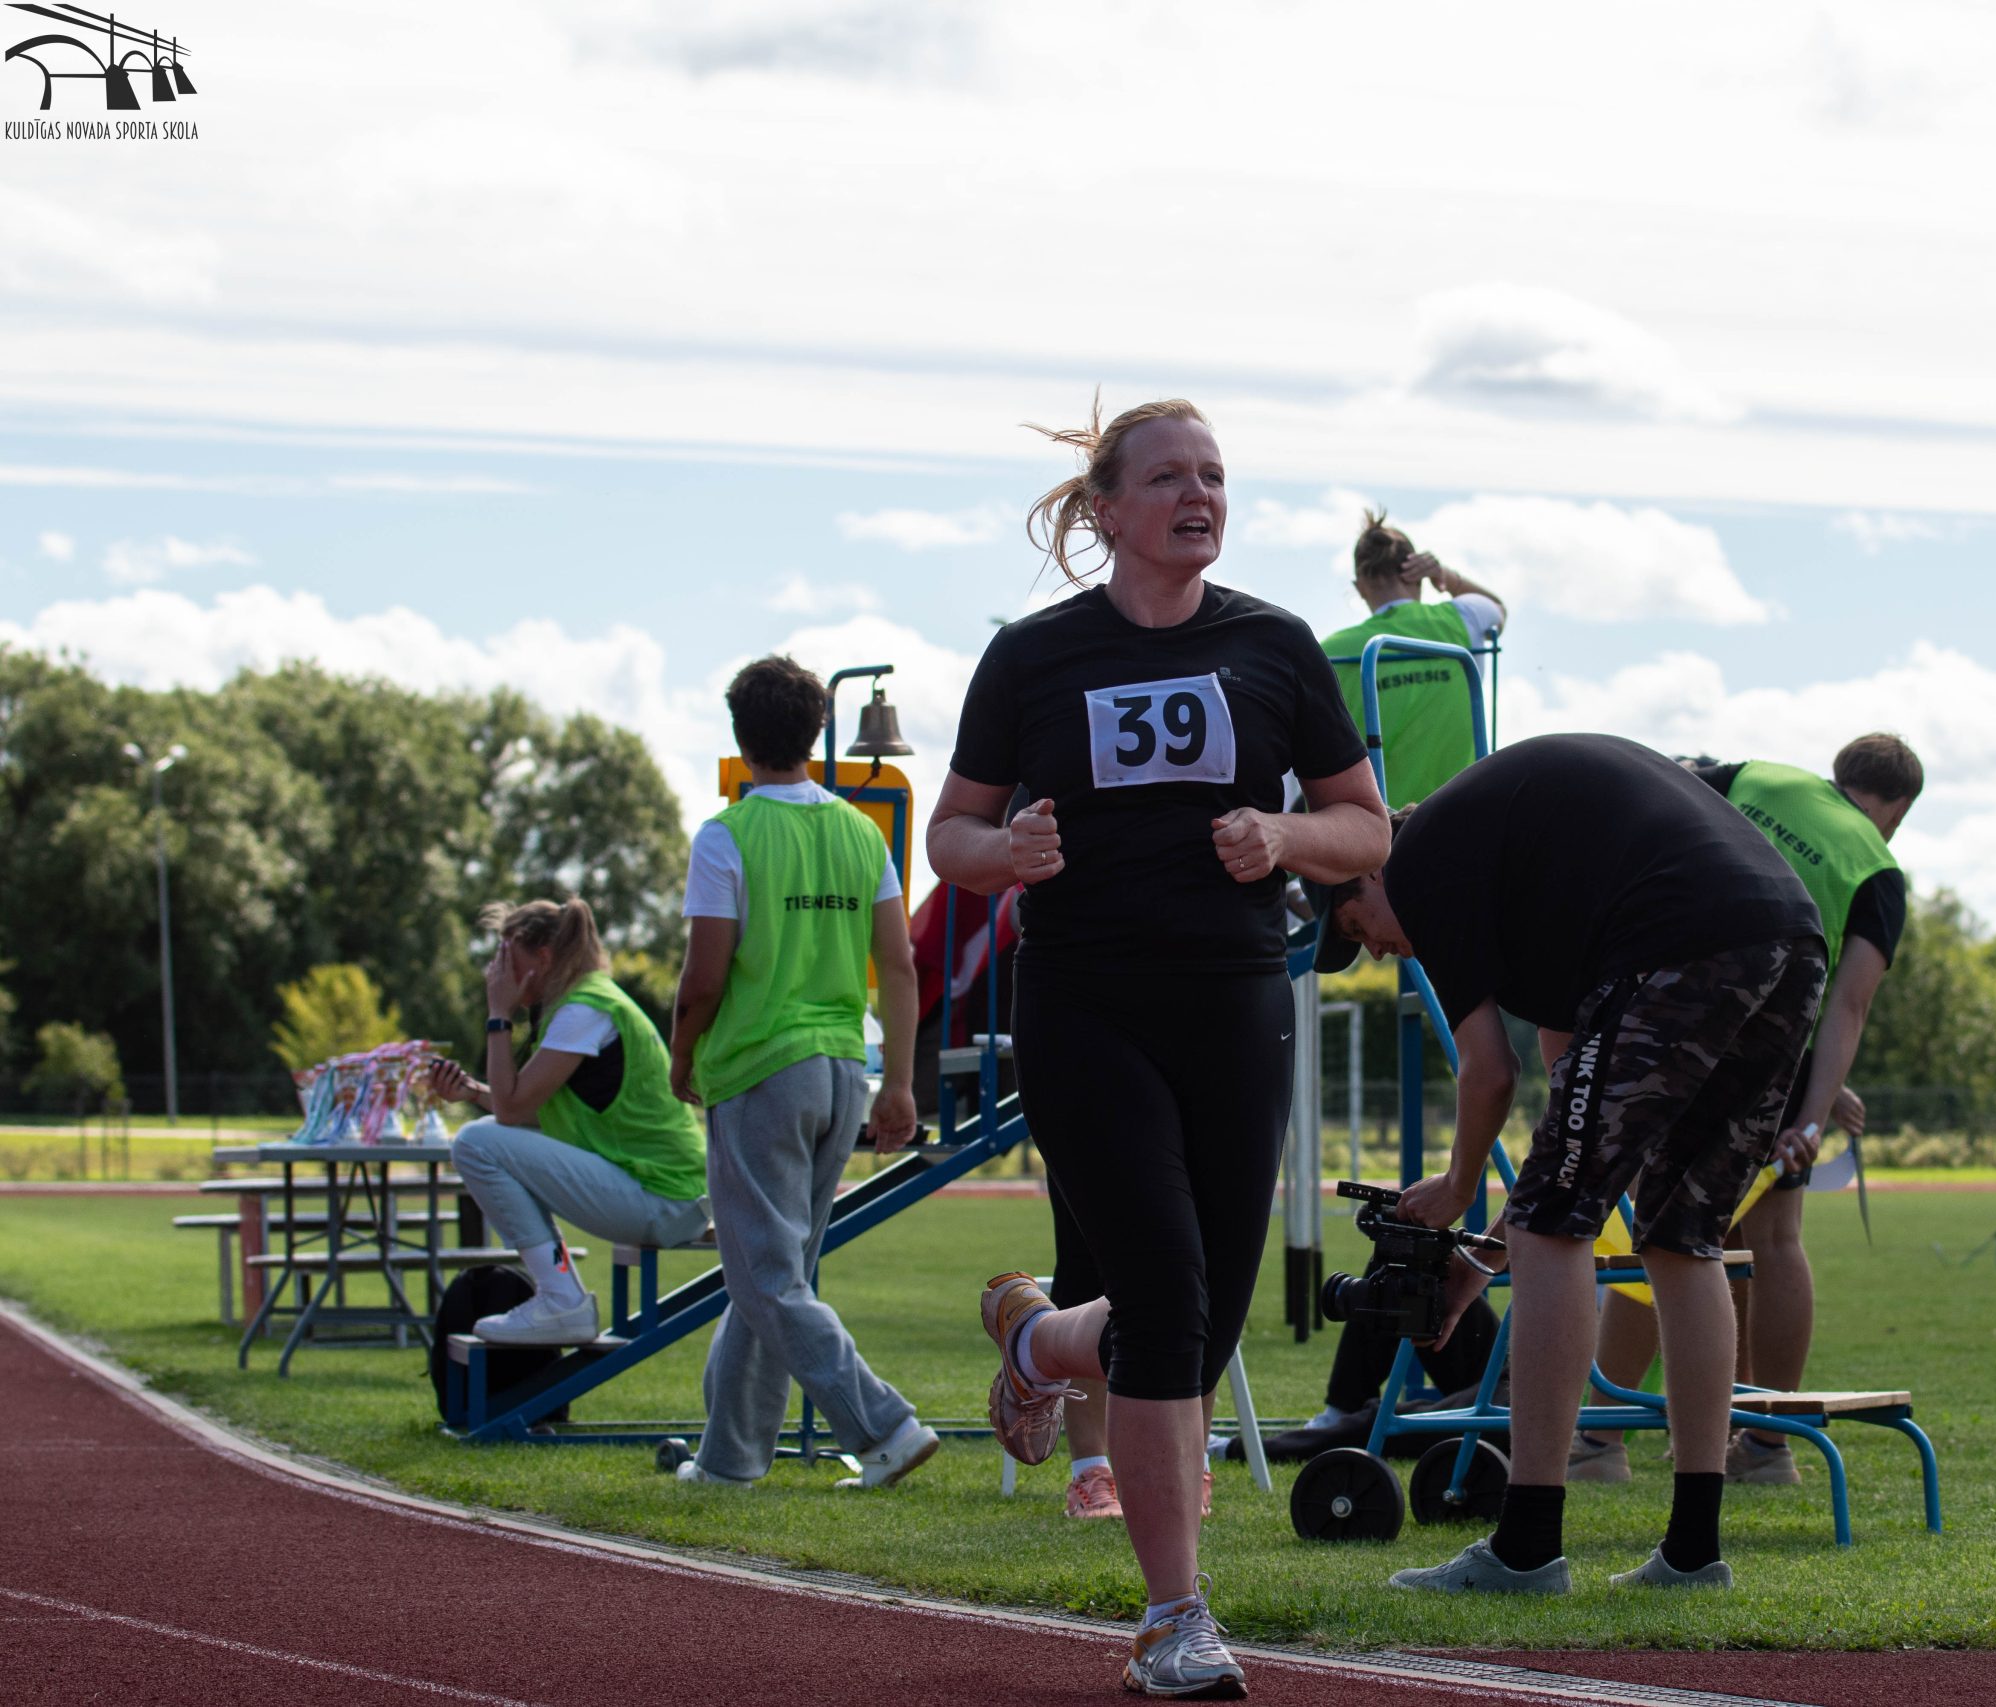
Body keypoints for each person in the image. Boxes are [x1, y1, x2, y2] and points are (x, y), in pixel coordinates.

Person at [928, 396, 1388, 1697]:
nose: (1200, 496)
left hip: (1235, 1002)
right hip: (1086, 1004)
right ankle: (1174, 1618)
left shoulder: (1273, 644)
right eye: (1171, 477)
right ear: (1106, 510)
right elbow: (948, 835)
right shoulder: (1033, 656)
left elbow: (1368, 828)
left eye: (1216, 476)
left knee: (1198, 1316)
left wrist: (1284, 836)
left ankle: (1042, 1340)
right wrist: (1005, 852)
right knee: (1173, 1303)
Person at [1315, 732, 1826, 1593]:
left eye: (1355, 926)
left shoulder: (1423, 861)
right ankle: (1692, 1553)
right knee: (1681, 1236)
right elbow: (1570, 1140)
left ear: (1366, 871)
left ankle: (1526, 1547)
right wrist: (1484, 1260)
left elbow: (1489, 1074)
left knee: (1567, 1225)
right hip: (1786, 939)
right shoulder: (1530, 890)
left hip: (1682, 936)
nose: (1374, 949)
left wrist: (1456, 1185)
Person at [1576, 734, 1922, 1486]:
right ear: (1895, 811)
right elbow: (1849, 1006)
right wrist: (1814, 1113)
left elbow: (1660, 797)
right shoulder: (1878, 867)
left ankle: (1600, 1440)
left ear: (1838, 775)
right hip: (1775, 1043)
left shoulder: (1759, 776)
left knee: (1660, 1223)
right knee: (1769, 1237)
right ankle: (1766, 1445)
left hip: (1675, 1009)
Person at [666, 655, 937, 1492]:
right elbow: (898, 966)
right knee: (776, 1275)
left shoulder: (727, 835)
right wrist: (899, 1082)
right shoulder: (861, 832)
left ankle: (884, 1425)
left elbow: (704, 975)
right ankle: (729, 1461)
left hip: (760, 1067)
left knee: (765, 1275)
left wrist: (681, 1052)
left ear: (739, 735)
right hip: (842, 1069)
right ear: (817, 732)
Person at [430, 900, 710, 1346]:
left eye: (507, 960)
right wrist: (474, 1093)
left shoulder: (584, 1011)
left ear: (543, 958)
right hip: (665, 1192)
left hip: (661, 1196)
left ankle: (561, 1299)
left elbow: (511, 1111)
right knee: (483, 1140)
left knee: (474, 1143)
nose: (497, 974)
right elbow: (534, 1114)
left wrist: (498, 1014)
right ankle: (560, 1294)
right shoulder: (584, 1004)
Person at [1316, 508, 1507, 809]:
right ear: (1416, 573)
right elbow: (1497, 608)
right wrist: (1445, 577)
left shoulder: (1327, 652)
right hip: (1462, 814)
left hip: (1374, 826)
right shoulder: (1461, 619)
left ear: (1359, 587)